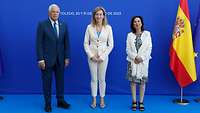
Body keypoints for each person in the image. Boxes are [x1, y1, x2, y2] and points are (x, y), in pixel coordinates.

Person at [36, 4, 70, 112]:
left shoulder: (63, 25)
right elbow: (39, 43)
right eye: (53, 12)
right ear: (49, 13)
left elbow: (66, 43)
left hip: (60, 59)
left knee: (60, 81)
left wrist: (67, 57)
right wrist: (40, 59)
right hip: (46, 60)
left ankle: (60, 101)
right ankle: (48, 104)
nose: (55, 14)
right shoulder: (42, 25)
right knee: (47, 82)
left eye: (57, 12)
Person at [84, 6, 114, 109]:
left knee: (102, 79)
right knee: (93, 79)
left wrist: (102, 56)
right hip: (92, 58)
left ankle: (102, 98)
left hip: (103, 58)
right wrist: (91, 56)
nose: (99, 16)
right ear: (94, 16)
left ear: (104, 16)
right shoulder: (89, 27)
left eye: (101, 14)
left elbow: (111, 45)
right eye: (97, 14)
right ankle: (94, 99)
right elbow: (85, 44)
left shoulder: (108, 28)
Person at [126, 16, 152, 111]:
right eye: (135, 22)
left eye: (138, 21)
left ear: (141, 23)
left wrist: (142, 58)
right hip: (132, 61)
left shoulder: (147, 34)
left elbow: (149, 48)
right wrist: (135, 57)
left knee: (142, 82)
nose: (137, 23)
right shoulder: (129, 35)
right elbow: (128, 50)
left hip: (143, 62)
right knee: (133, 82)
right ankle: (134, 101)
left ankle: (141, 102)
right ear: (133, 24)